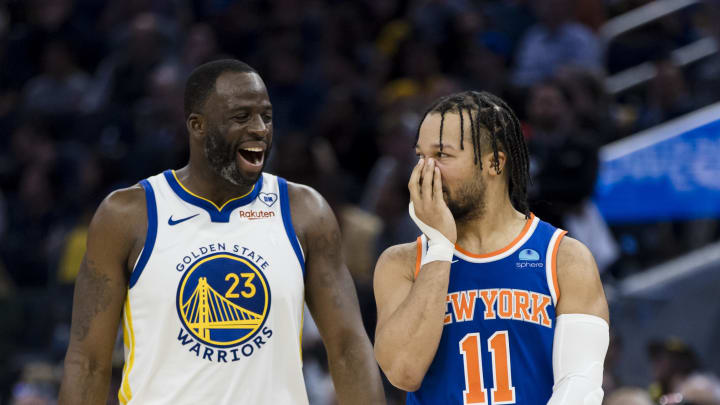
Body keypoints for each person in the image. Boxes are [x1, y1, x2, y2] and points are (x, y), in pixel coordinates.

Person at [58, 59, 385, 405]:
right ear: (197, 126)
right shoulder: (126, 216)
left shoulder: (305, 212)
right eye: (242, 117)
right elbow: (89, 362)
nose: (260, 128)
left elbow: (349, 347)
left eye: (267, 116)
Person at [373, 90, 609, 404]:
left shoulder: (565, 259)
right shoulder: (400, 263)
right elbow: (404, 372)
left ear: (494, 163)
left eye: (441, 155)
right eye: (420, 156)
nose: (424, 172)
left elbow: (581, 385)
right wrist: (441, 247)